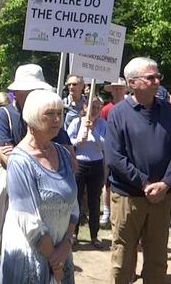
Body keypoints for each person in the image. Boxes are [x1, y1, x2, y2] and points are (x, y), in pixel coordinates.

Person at [105, 57, 171, 283]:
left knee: (158, 260)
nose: (157, 81)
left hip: (162, 197)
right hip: (128, 198)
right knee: (123, 259)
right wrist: (144, 182)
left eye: (158, 76)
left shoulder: (169, 112)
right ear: (133, 82)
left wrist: (166, 183)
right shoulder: (118, 113)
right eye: (151, 77)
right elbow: (114, 157)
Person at [0, 89, 78, 283]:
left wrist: (67, 244)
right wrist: (54, 260)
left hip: (61, 250)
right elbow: (28, 219)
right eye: (50, 114)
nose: (57, 120)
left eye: (60, 113)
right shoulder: (19, 161)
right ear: (32, 116)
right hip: (30, 256)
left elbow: (73, 205)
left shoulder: (63, 153)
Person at [68, 97, 107, 248]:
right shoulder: (77, 123)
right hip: (79, 164)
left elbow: (104, 144)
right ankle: (73, 233)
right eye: (92, 107)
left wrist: (93, 132)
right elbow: (68, 141)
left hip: (96, 164)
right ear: (85, 108)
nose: (95, 110)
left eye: (98, 107)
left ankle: (94, 235)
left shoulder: (103, 124)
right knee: (76, 200)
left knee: (94, 201)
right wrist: (78, 141)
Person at [99, 78, 127, 227]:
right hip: (109, 149)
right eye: (115, 88)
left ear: (125, 90)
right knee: (107, 182)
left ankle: (118, 212)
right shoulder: (106, 109)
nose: (117, 90)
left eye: (120, 88)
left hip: (126, 150)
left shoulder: (131, 107)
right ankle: (106, 211)